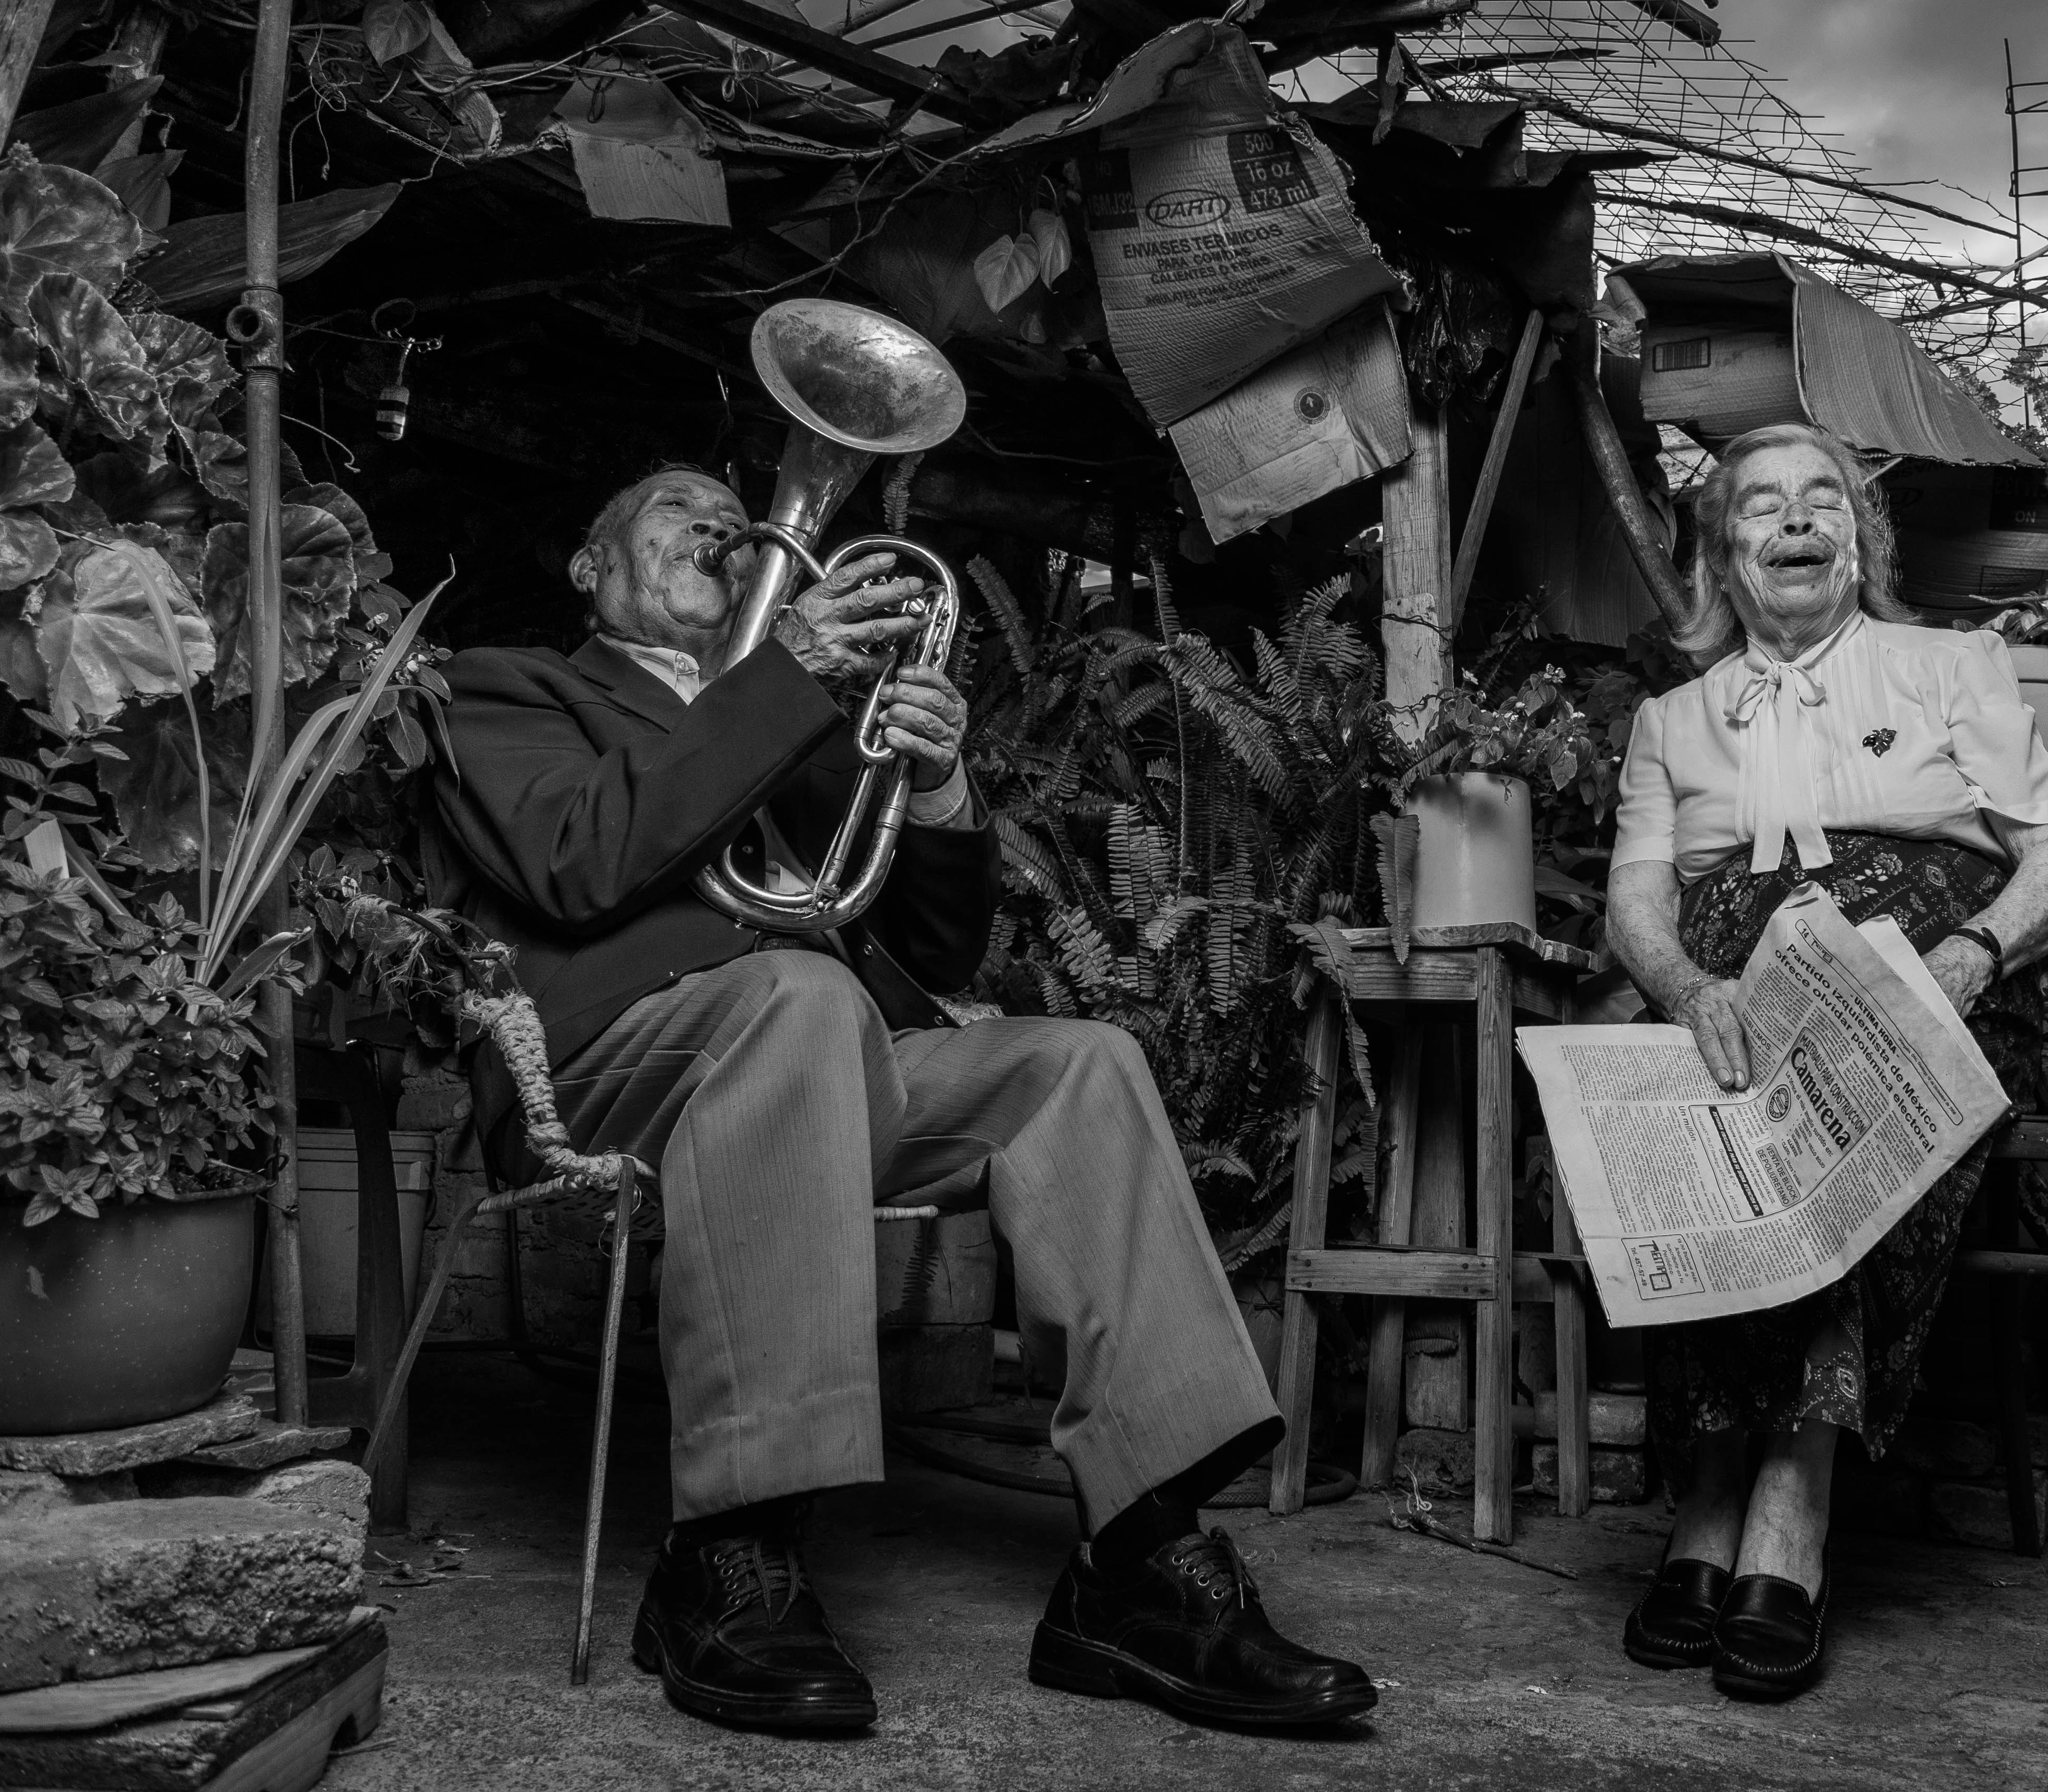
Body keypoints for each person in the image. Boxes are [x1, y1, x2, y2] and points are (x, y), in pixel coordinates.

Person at [426, 465, 1376, 1737]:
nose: (715, 523)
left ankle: (1140, 1560)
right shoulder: (507, 689)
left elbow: (933, 953)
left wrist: (935, 784)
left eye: (728, 510)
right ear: (590, 570)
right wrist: (782, 680)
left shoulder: (796, 722)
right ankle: (729, 1551)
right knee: (798, 1002)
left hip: (821, 1059)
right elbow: (577, 858)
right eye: (669, 510)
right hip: (613, 1071)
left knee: (1079, 1064)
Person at [1601, 422, 2048, 1702]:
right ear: (1725, 553)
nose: (1795, 521)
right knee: (1728, 1118)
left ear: (1857, 542)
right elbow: (1638, 910)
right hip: (1734, 1001)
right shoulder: (1668, 722)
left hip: (1920, 977)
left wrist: (1973, 956)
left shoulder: (1951, 664)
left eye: (1822, 500)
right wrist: (1691, 987)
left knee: (1841, 1098)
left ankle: (1779, 1492)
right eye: (1760, 507)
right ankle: (1720, 1477)